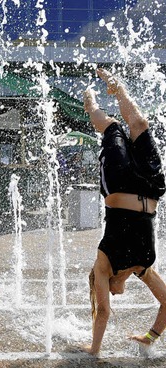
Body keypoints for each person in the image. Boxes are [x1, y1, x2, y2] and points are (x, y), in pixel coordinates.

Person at [83, 69, 166, 356]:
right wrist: (151, 336)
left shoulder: (103, 266)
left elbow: (103, 312)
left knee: (112, 126)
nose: (115, 296)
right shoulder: (143, 269)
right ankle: (113, 95)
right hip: (152, 187)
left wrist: (94, 350)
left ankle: (92, 101)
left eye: (108, 292)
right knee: (140, 123)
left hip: (118, 181)